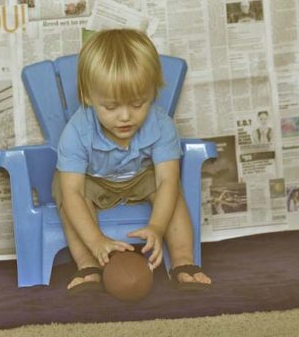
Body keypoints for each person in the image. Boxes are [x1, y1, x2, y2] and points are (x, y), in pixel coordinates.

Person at [53, 29, 212, 292]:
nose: (125, 117)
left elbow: (166, 181)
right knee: (65, 191)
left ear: (152, 93)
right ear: (89, 97)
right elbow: (73, 191)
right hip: (94, 180)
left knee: (172, 193)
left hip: (141, 177)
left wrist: (156, 228)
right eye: (111, 107)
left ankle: (184, 263)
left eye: (138, 104)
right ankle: (88, 266)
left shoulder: (161, 125)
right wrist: (96, 241)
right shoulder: (76, 132)